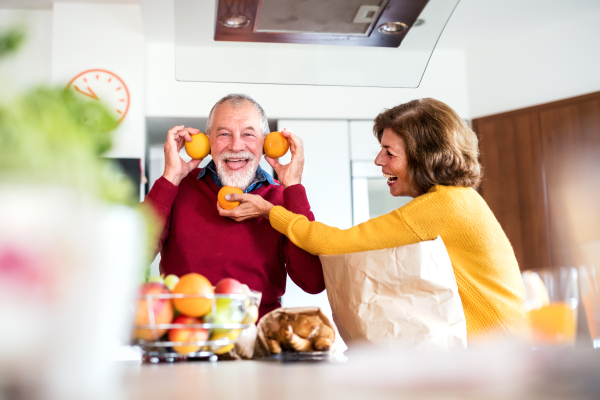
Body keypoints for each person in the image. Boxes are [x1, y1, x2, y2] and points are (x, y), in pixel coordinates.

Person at [220, 98, 529, 344]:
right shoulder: (457, 199)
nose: (379, 161)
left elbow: (336, 244)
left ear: (423, 156)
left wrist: (268, 210)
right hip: (502, 348)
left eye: (389, 152)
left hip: (499, 353)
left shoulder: (443, 205)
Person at [141, 94, 325, 317]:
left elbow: (313, 281)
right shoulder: (176, 187)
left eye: (248, 134)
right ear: (208, 142)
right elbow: (131, 256)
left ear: (266, 143)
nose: (236, 145)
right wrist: (170, 177)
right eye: (224, 134)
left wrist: (293, 186)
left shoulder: (282, 200)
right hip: (184, 341)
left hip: (257, 345)